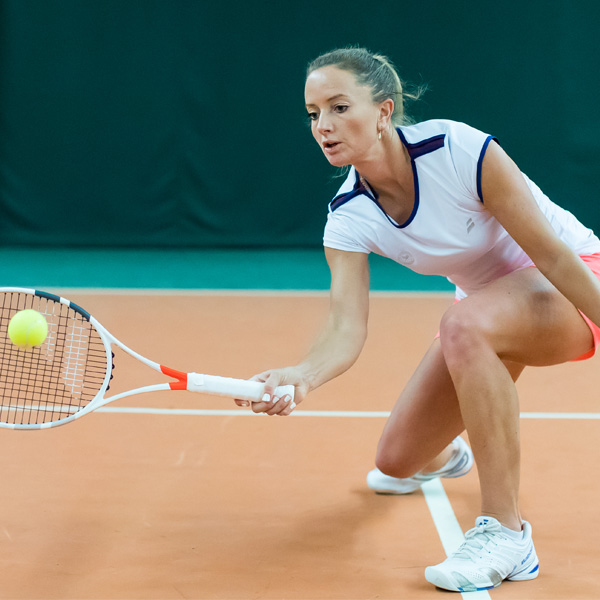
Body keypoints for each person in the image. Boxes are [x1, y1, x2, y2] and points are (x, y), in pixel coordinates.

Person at [235, 47, 600, 592]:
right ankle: (451, 454)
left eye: (339, 107)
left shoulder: (458, 150)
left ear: (384, 111)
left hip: (572, 282)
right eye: (313, 114)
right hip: (484, 312)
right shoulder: (349, 216)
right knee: (397, 460)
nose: (323, 126)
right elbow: (345, 328)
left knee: (463, 325)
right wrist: (302, 375)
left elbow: (551, 254)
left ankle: (507, 535)